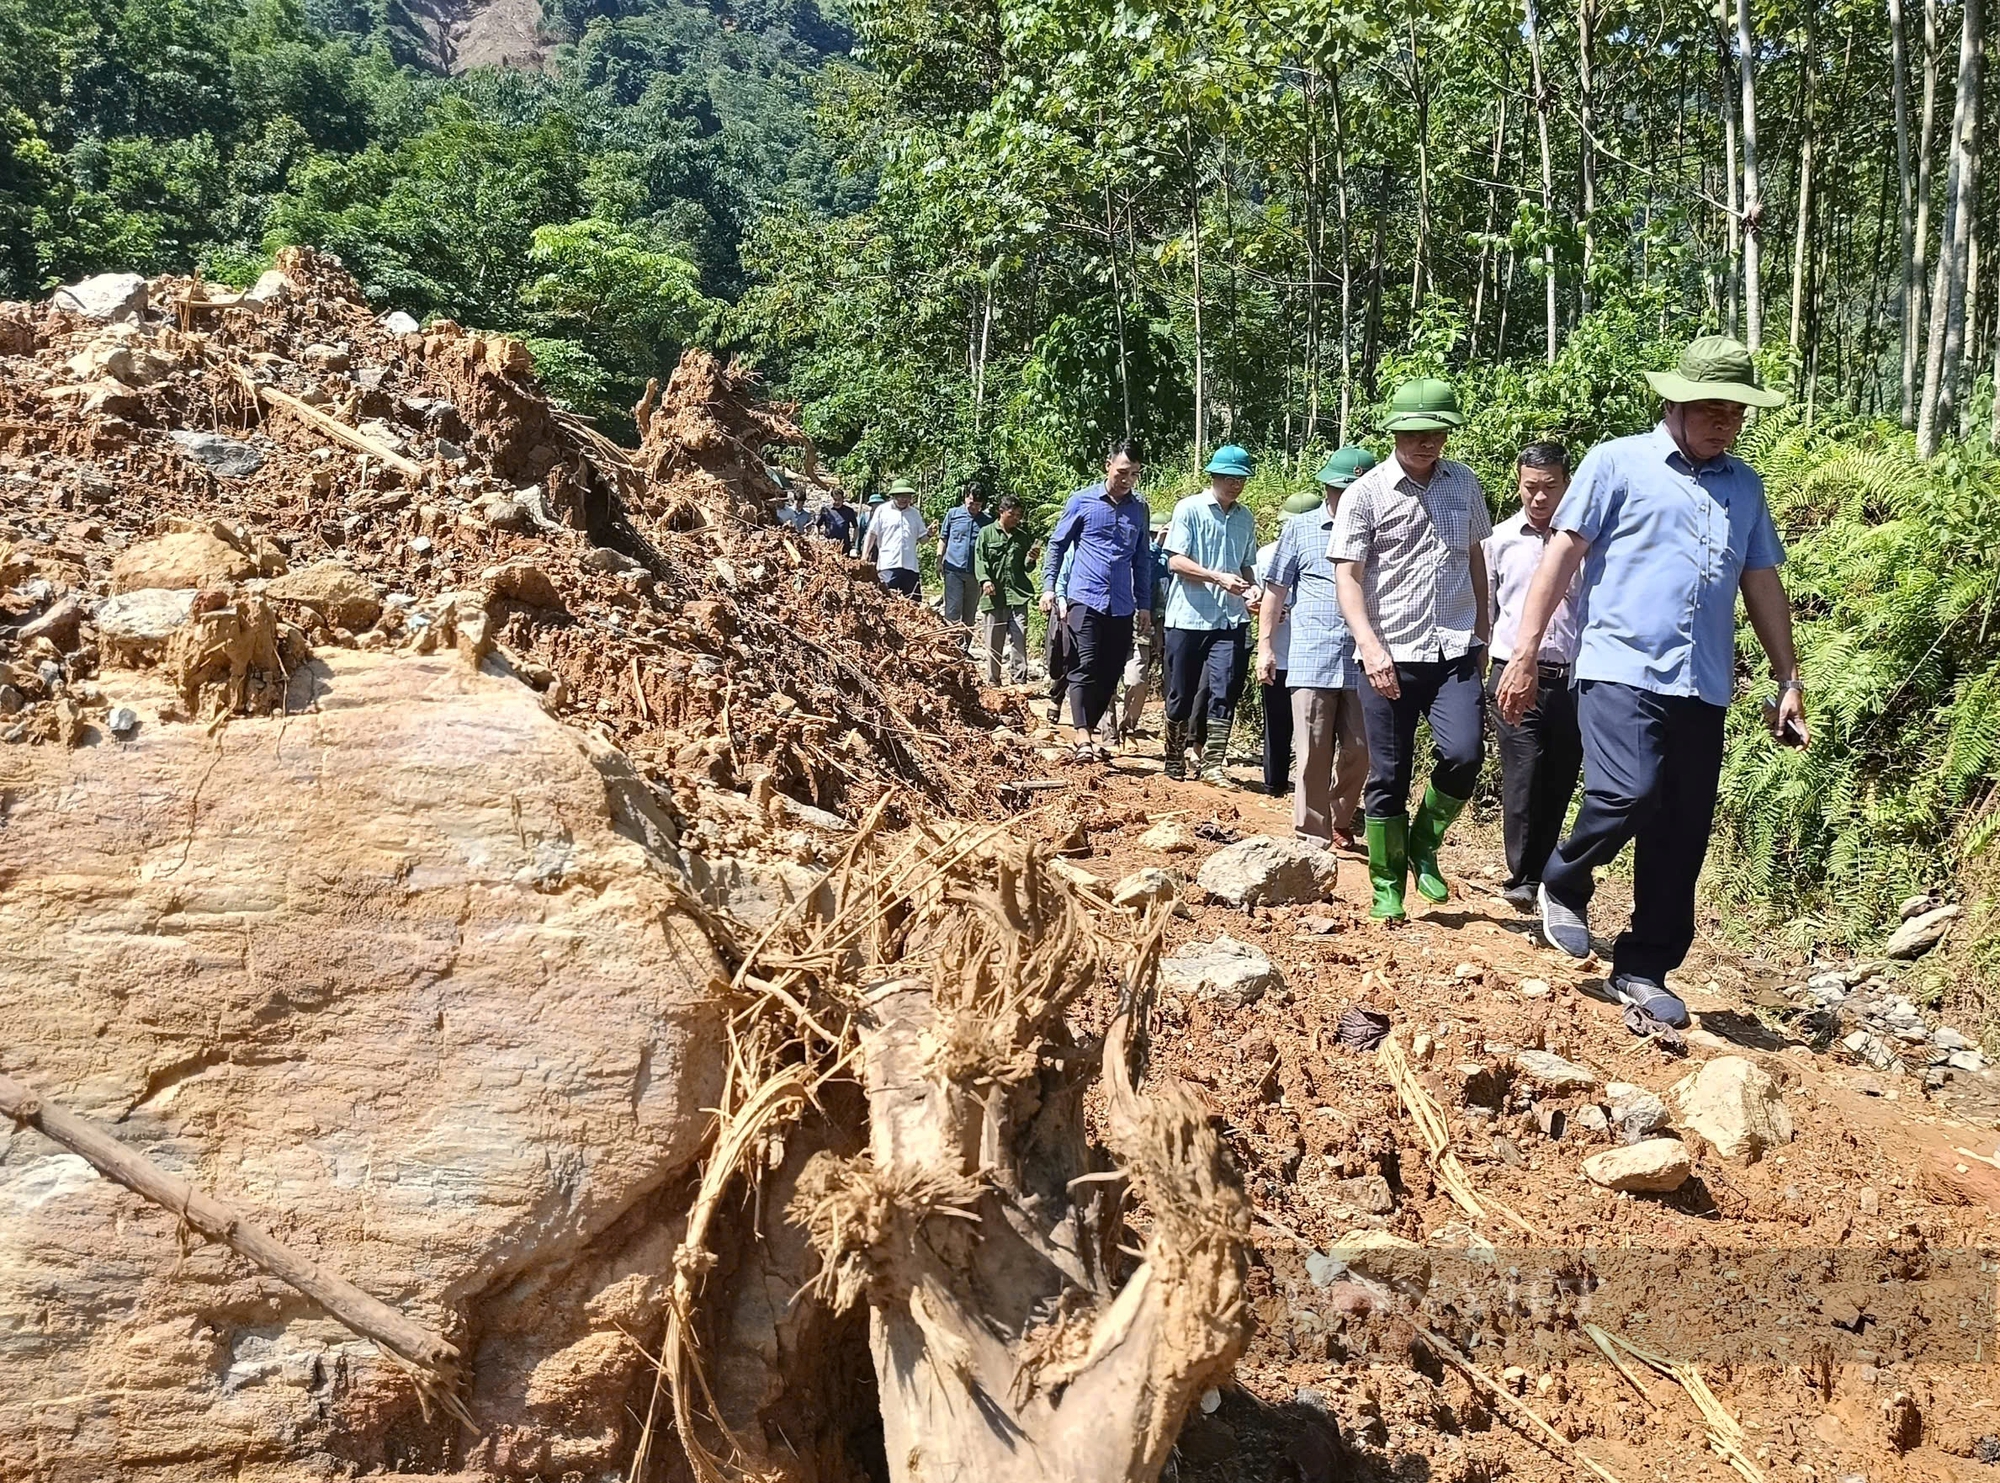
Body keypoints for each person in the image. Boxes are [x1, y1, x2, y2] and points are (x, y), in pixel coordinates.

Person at [1496, 336, 1806, 1028]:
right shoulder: (1615, 462)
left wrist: (1787, 676)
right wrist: (1524, 651)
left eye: (1736, 412)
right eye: (1711, 409)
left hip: (1703, 684)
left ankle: (1641, 966)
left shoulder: (1745, 486)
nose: (1724, 423)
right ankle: (1564, 877)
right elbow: (1560, 558)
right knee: (1628, 791)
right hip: (1619, 669)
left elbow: (1761, 582)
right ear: (1673, 402)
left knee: (1682, 830)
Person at [1333, 378, 1492, 920]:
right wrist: (1368, 646)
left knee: (1465, 752)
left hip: (1453, 649)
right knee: (1388, 774)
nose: (1427, 442)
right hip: (1388, 655)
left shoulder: (1465, 484)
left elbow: (1476, 561)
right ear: (1397, 431)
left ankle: (1425, 841)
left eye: (1437, 433)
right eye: (1416, 432)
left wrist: (1484, 633)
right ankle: (1386, 882)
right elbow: (1348, 578)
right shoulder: (1365, 493)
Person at [1484, 442, 1585, 911]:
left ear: (1568, 484)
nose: (1539, 498)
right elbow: (1487, 611)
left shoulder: (1590, 542)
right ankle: (1523, 875)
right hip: (1512, 673)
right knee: (1523, 774)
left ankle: (1547, 872)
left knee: (1561, 776)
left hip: (1576, 678)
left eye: (1550, 487)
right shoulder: (1500, 540)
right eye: (1531, 488)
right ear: (1518, 485)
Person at [1261, 447, 1374, 850]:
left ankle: (1341, 815)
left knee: (1362, 750)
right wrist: (1266, 648)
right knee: (1311, 752)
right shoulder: (1301, 529)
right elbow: (1274, 592)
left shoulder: (1381, 531)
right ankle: (1311, 833)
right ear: (1326, 487)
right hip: (1312, 654)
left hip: (1366, 657)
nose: (1345, 497)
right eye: (1340, 489)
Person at [1041, 440, 1153, 763]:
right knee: (1084, 663)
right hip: (1084, 596)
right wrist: (1050, 587)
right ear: (1108, 466)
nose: (1127, 479)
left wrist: (1143, 603)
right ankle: (1082, 736)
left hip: (1121, 604)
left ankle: (1086, 728)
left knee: (1112, 668)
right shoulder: (1083, 502)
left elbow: (1142, 559)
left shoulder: (1138, 509)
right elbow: (1057, 545)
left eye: (1134, 474)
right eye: (1122, 472)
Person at [1164, 445, 1262, 785]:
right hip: (1189, 617)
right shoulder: (1189, 509)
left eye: (1241, 480)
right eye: (1230, 478)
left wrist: (1253, 587)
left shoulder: (1245, 518)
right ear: (1215, 476)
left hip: (1230, 620)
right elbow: (1175, 561)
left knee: (1224, 689)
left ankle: (1213, 765)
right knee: (1181, 691)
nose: (1236, 485)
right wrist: (1216, 576)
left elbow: (1246, 564)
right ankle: (1174, 757)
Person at [1254, 490, 1319, 795]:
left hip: (1310, 652)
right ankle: (1274, 782)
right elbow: (1256, 597)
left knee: (1309, 727)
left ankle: (1304, 787)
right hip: (1281, 651)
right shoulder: (1266, 555)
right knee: (1278, 723)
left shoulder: (1328, 552)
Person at [975, 493, 1036, 684]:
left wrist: (1031, 558)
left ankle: (1019, 680)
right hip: (994, 597)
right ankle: (994, 681)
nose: (1016, 518)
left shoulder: (1022, 537)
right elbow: (980, 559)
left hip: (1018, 595)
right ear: (1001, 512)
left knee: (1019, 638)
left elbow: (1026, 567)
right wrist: (985, 580)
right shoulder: (986, 533)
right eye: (1012, 514)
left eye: (1019, 515)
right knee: (994, 641)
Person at [862, 478, 930, 597]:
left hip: (910, 567)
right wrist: (864, 556)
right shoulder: (882, 510)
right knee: (886, 599)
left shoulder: (915, 514)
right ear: (894, 496)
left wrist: (929, 534)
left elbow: (922, 540)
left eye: (907, 496)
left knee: (913, 603)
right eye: (901, 496)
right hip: (888, 565)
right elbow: (872, 534)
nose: (904, 499)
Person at [937, 487, 993, 628]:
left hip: (975, 573)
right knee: (952, 609)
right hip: (953, 570)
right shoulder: (953, 514)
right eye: (971, 503)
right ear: (965, 498)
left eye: (978, 505)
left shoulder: (987, 521)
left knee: (970, 612)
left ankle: (964, 647)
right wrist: (938, 561)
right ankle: (950, 644)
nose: (974, 507)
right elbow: (943, 539)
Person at [814, 484, 860, 554]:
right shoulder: (825, 510)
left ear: (843, 499)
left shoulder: (849, 511)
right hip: (829, 545)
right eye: (835, 499)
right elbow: (817, 525)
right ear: (831, 499)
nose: (837, 502)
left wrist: (853, 541)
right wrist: (817, 539)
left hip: (845, 545)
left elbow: (856, 527)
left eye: (839, 500)